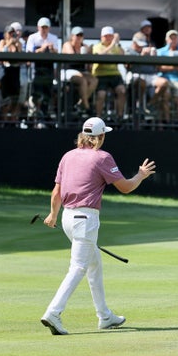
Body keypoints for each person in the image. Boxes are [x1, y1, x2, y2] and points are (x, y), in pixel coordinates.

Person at [40, 116, 156, 336]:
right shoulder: (102, 157)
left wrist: (53, 215)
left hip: (67, 218)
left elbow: (56, 192)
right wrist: (140, 175)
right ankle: (53, 312)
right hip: (85, 219)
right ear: (100, 137)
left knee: (94, 264)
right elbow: (125, 187)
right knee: (78, 267)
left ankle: (104, 315)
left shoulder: (68, 156)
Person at [26, 17, 60, 124]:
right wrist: (41, 48)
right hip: (35, 71)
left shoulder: (53, 38)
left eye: (46, 27)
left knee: (47, 93)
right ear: (38, 27)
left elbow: (57, 54)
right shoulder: (32, 37)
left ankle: (44, 117)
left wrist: (52, 49)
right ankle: (34, 117)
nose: (44, 29)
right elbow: (28, 54)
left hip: (48, 71)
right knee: (35, 93)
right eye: (42, 27)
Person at [91, 26, 127, 123]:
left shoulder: (116, 47)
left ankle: (120, 117)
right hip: (100, 75)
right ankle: (98, 118)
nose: (108, 38)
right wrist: (111, 46)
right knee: (101, 94)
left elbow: (123, 55)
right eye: (105, 36)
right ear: (101, 37)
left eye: (110, 36)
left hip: (114, 74)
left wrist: (118, 43)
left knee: (122, 91)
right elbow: (99, 56)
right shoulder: (97, 46)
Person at [62, 26, 98, 115]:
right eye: (77, 35)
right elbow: (72, 56)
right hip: (68, 71)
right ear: (72, 36)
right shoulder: (67, 44)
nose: (79, 37)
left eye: (81, 35)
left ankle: (80, 103)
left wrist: (90, 53)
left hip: (81, 72)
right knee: (83, 80)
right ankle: (86, 106)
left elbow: (89, 64)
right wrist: (84, 53)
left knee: (94, 80)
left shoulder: (85, 47)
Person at [157, 29, 178, 124]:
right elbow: (159, 68)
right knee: (165, 96)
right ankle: (167, 122)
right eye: (171, 38)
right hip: (164, 79)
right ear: (167, 40)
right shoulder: (160, 51)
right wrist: (175, 66)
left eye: (175, 38)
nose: (173, 40)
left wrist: (170, 66)